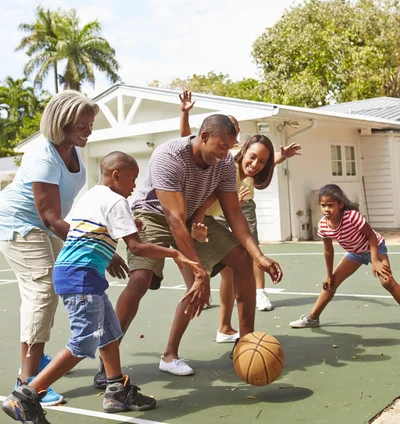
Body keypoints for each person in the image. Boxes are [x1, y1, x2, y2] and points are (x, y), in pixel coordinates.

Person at [2, 151, 200, 424]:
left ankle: (116, 390)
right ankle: (26, 394)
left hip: (77, 273)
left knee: (109, 332)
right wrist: (175, 253)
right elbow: (137, 247)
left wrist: (132, 224)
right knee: (83, 341)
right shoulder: (117, 200)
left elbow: (93, 228)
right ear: (116, 175)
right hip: (81, 275)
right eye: (132, 180)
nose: (134, 187)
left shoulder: (92, 196)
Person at [93, 113, 283, 386]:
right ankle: (107, 361)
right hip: (153, 214)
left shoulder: (226, 163)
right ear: (204, 136)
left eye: (229, 148)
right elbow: (173, 218)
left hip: (191, 216)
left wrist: (259, 256)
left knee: (241, 260)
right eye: (221, 146)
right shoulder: (168, 155)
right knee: (140, 279)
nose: (225, 154)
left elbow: (234, 214)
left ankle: (245, 343)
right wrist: (199, 272)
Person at [0, 90, 113, 406]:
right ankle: (28, 382)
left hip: (44, 222)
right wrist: (100, 243)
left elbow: (60, 213)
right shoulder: (42, 155)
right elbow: (51, 218)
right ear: (62, 121)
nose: (89, 130)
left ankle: (34, 356)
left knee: (51, 287)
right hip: (18, 224)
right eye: (83, 124)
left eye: (90, 124)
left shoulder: (73, 151)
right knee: (41, 291)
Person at [178, 91, 300, 341]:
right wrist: (185, 113)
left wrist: (282, 156)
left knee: (232, 271)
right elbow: (187, 142)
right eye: (252, 156)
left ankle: (225, 327)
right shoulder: (225, 166)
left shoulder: (244, 169)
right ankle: (181, 344)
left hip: (213, 217)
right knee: (216, 275)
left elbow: (263, 160)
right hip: (196, 220)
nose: (255, 163)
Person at [289, 184, 400, 328]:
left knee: (387, 282)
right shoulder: (323, 225)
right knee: (331, 284)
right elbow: (328, 251)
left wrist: (375, 261)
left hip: (375, 248)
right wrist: (328, 274)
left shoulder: (352, 217)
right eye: (323, 205)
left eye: (331, 205)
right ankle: (312, 319)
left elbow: (371, 236)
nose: (326, 209)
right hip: (355, 253)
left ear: (340, 204)